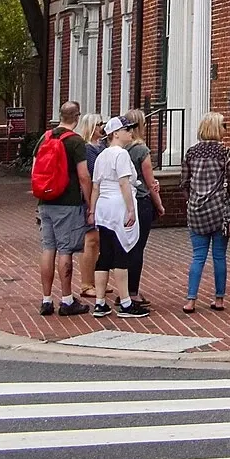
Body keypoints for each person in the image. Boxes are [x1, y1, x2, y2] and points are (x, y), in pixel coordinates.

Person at [34, 98, 91, 318]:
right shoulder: (75, 142)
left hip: (45, 201)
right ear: (76, 117)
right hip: (67, 202)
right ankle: (67, 300)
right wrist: (89, 202)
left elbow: (35, 170)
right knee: (65, 250)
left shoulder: (45, 137)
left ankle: (46, 299)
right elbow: (83, 176)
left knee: (48, 248)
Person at [181, 112, 230, 312]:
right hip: (219, 209)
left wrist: (191, 201)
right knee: (219, 256)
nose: (226, 129)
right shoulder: (226, 152)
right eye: (224, 125)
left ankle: (191, 300)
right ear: (216, 128)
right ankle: (219, 299)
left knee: (198, 256)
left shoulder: (191, 153)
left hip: (196, 210)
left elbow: (184, 182)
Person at [89, 114, 140, 317]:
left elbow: (95, 186)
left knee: (105, 254)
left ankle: (100, 302)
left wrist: (92, 210)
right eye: (127, 129)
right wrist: (130, 209)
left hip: (103, 207)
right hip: (118, 205)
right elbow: (124, 183)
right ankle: (126, 303)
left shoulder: (102, 156)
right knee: (121, 252)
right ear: (115, 134)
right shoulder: (121, 154)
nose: (131, 132)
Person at [119, 109, 165, 314]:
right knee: (137, 247)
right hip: (140, 200)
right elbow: (150, 181)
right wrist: (159, 204)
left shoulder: (118, 149)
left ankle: (123, 290)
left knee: (125, 246)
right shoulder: (141, 150)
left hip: (122, 201)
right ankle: (133, 291)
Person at [74, 114, 104, 305]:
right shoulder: (87, 149)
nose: (102, 127)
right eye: (98, 124)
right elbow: (90, 175)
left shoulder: (102, 146)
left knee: (99, 241)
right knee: (90, 240)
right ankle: (86, 283)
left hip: (101, 197)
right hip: (90, 197)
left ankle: (96, 278)